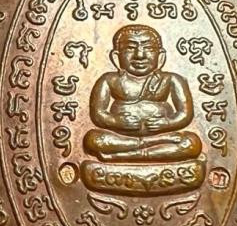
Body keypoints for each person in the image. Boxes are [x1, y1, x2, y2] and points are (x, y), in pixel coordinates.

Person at [83, 25, 201, 162]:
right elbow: (98, 114)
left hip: (163, 136)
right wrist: (116, 121)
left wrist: (167, 123)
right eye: (130, 48)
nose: (140, 55)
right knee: (93, 139)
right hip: (122, 138)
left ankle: (125, 155)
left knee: (192, 142)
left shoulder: (171, 79)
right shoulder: (110, 80)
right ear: (116, 56)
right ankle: (142, 147)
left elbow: (185, 114)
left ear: (160, 56)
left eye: (149, 48)